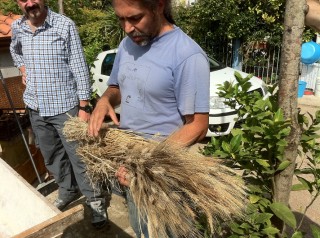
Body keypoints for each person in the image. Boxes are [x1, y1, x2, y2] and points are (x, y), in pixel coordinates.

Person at [87, 0, 210, 236]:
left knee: (169, 232)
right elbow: (116, 86)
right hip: (130, 164)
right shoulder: (127, 45)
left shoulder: (187, 54)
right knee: (141, 228)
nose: (127, 28)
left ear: (159, 6)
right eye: (121, 19)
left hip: (164, 173)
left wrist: (145, 163)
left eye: (134, 18)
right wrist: (105, 100)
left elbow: (197, 126)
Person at [10, 0, 107, 229]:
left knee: (80, 156)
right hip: (36, 106)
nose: (30, 3)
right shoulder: (17, 27)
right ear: (18, 3)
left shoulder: (64, 25)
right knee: (51, 155)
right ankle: (68, 189)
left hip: (65, 107)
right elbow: (15, 50)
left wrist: (84, 106)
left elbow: (79, 66)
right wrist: (23, 69)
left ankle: (95, 201)